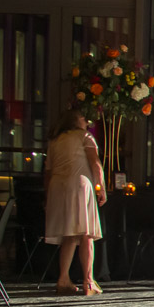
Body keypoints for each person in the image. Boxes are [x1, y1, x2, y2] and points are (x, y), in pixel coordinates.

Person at [43, 109, 107, 296]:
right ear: (75, 120)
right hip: (79, 184)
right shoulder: (85, 136)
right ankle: (89, 281)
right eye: (83, 118)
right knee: (86, 233)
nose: (87, 121)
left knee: (69, 234)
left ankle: (63, 278)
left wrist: (47, 196)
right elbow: (95, 163)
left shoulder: (55, 140)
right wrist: (101, 188)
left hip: (57, 186)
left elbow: (48, 171)